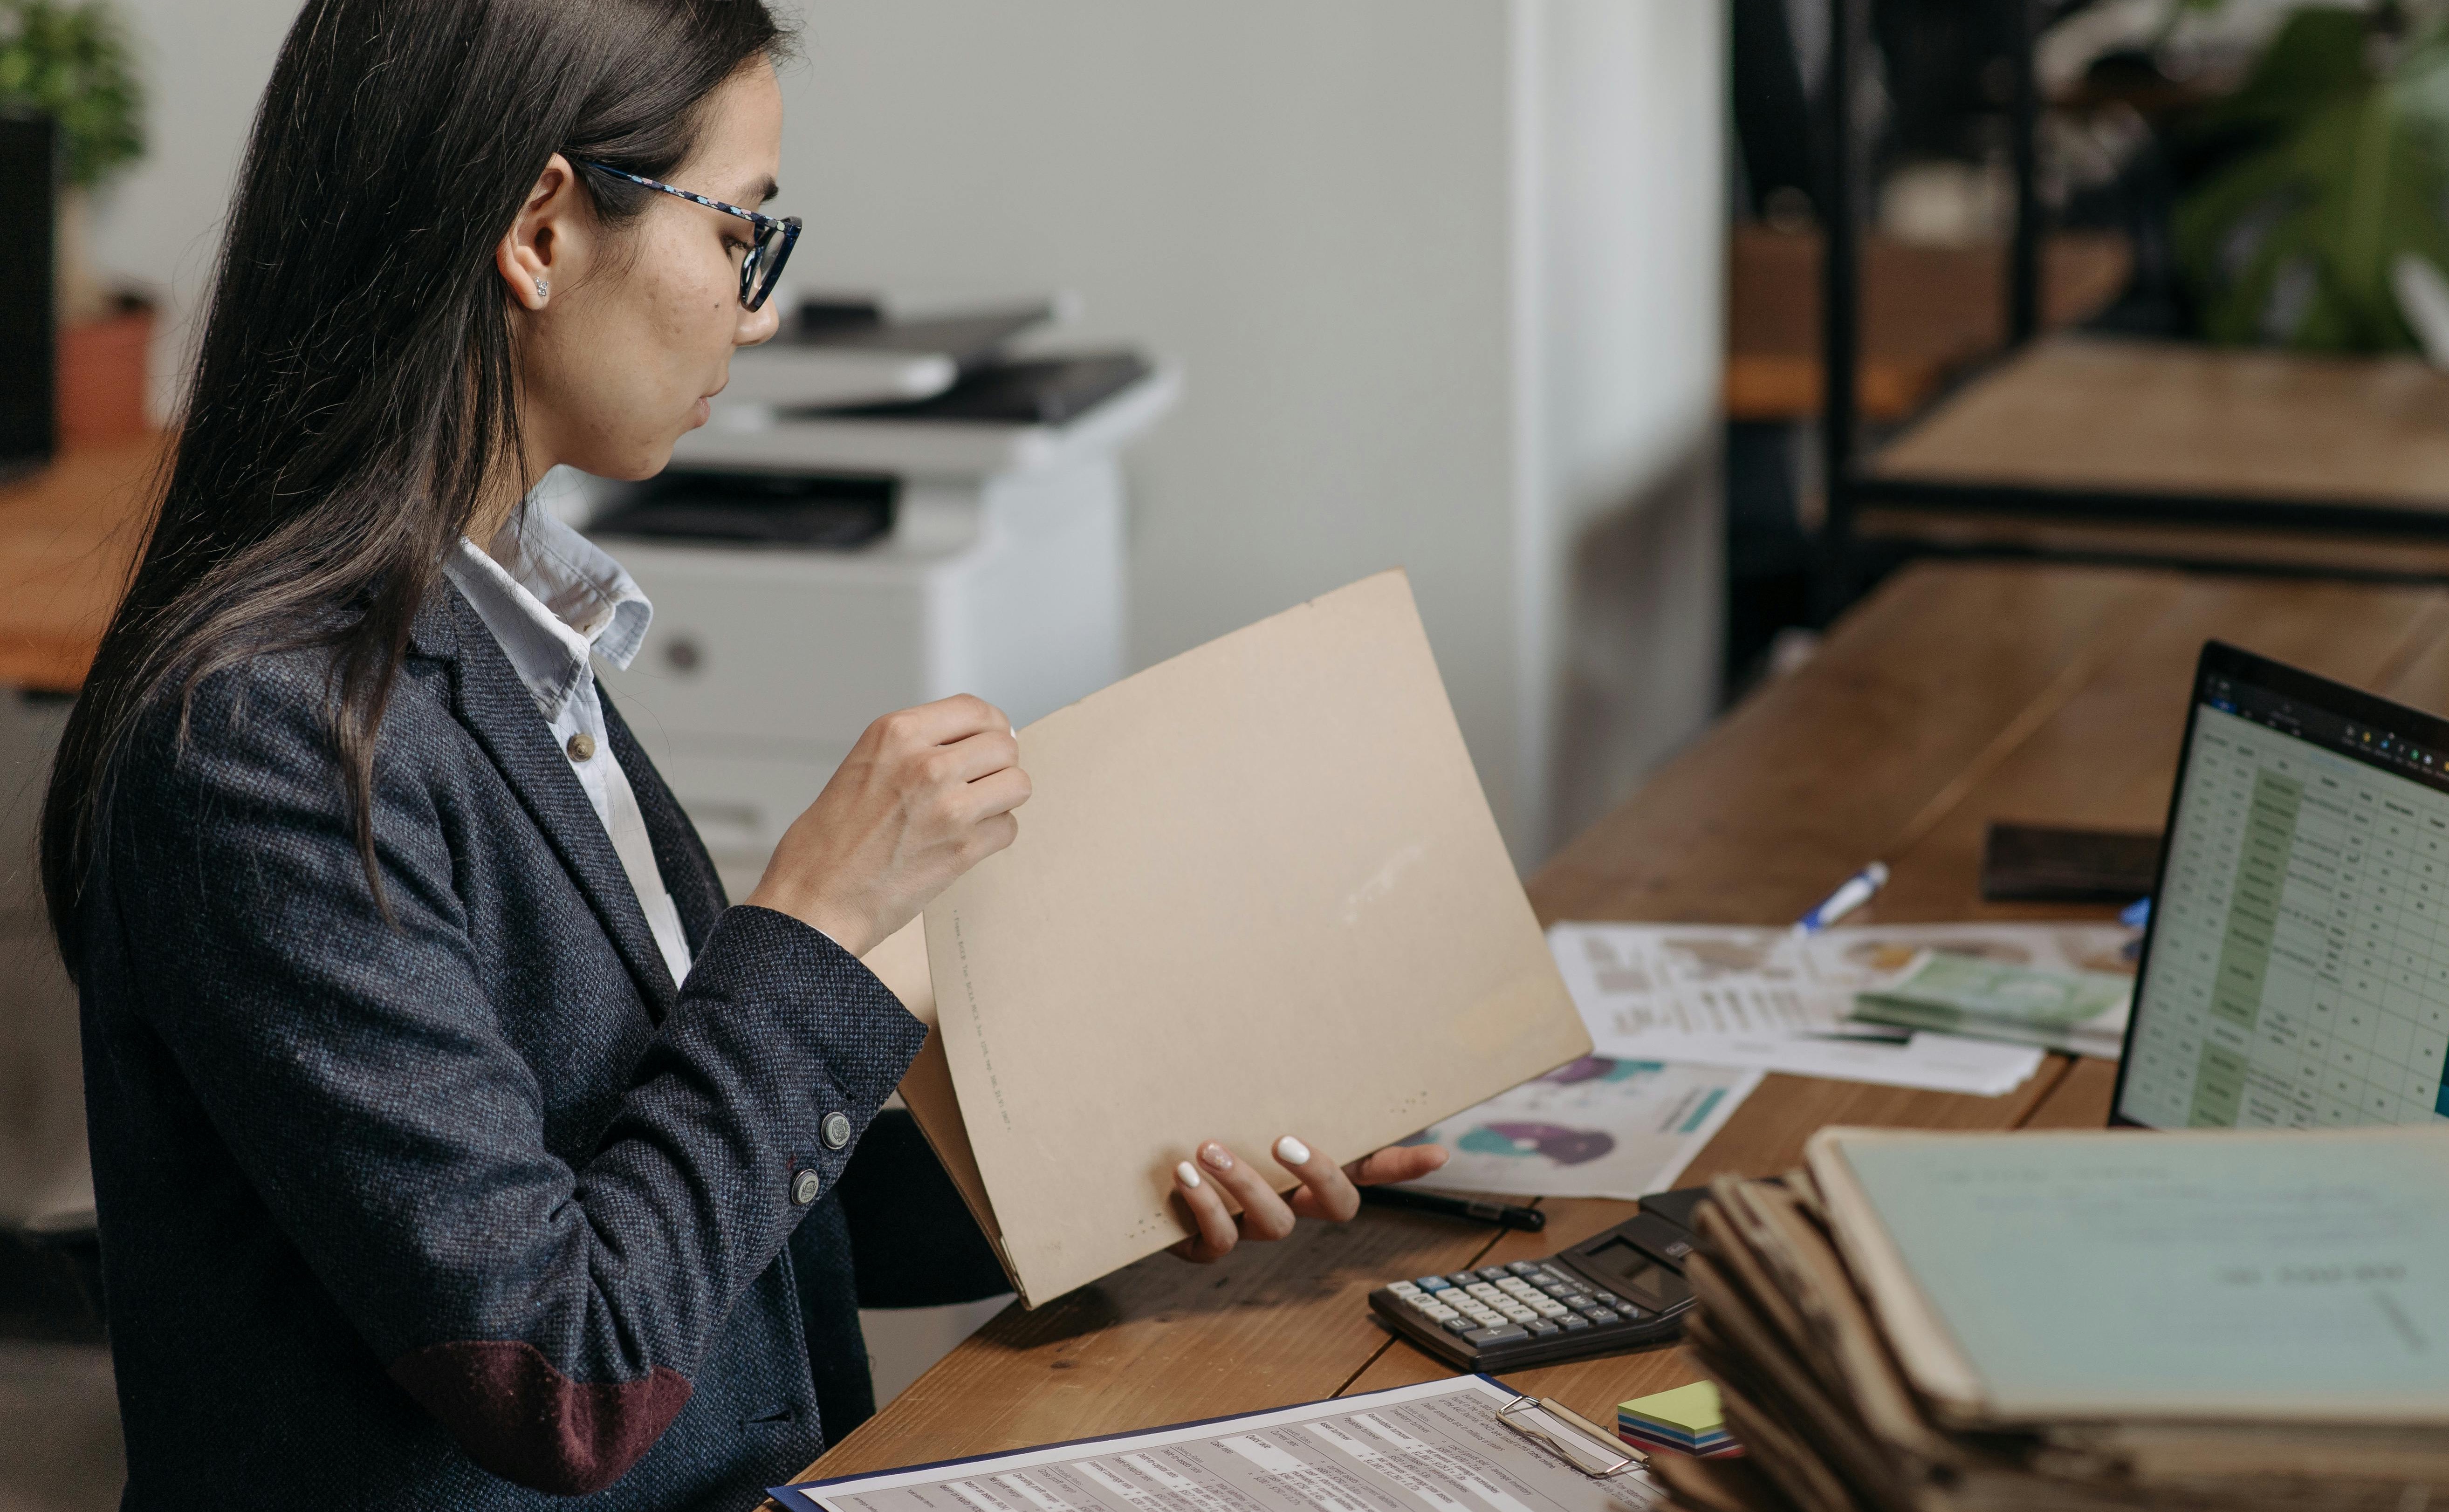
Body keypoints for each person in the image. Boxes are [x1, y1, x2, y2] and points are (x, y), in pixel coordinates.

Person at [35, 3, 1447, 1507]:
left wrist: (1142, 1152)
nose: (756, 311)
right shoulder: (263, 737)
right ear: (540, 230)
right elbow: (562, 1374)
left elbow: (692, 1201)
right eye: (739, 235)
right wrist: (816, 924)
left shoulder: (497, 630)